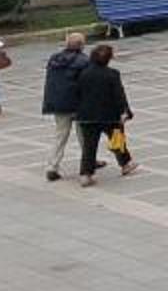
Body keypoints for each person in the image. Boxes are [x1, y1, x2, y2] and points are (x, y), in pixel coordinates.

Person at [71, 43, 135, 185]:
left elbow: (76, 93)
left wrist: (76, 111)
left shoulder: (82, 74)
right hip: (109, 115)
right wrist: (125, 111)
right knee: (117, 140)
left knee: (89, 146)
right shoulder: (112, 74)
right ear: (108, 59)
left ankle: (86, 175)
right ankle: (125, 164)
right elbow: (119, 95)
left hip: (87, 116)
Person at [41, 33, 90, 180]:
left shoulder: (54, 59)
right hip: (78, 103)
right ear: (81, 45)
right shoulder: (84, 61)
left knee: (60, 135)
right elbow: (87, 83)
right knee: (84, 135)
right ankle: (88, 162)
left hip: (58, 103)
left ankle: (52, 166)